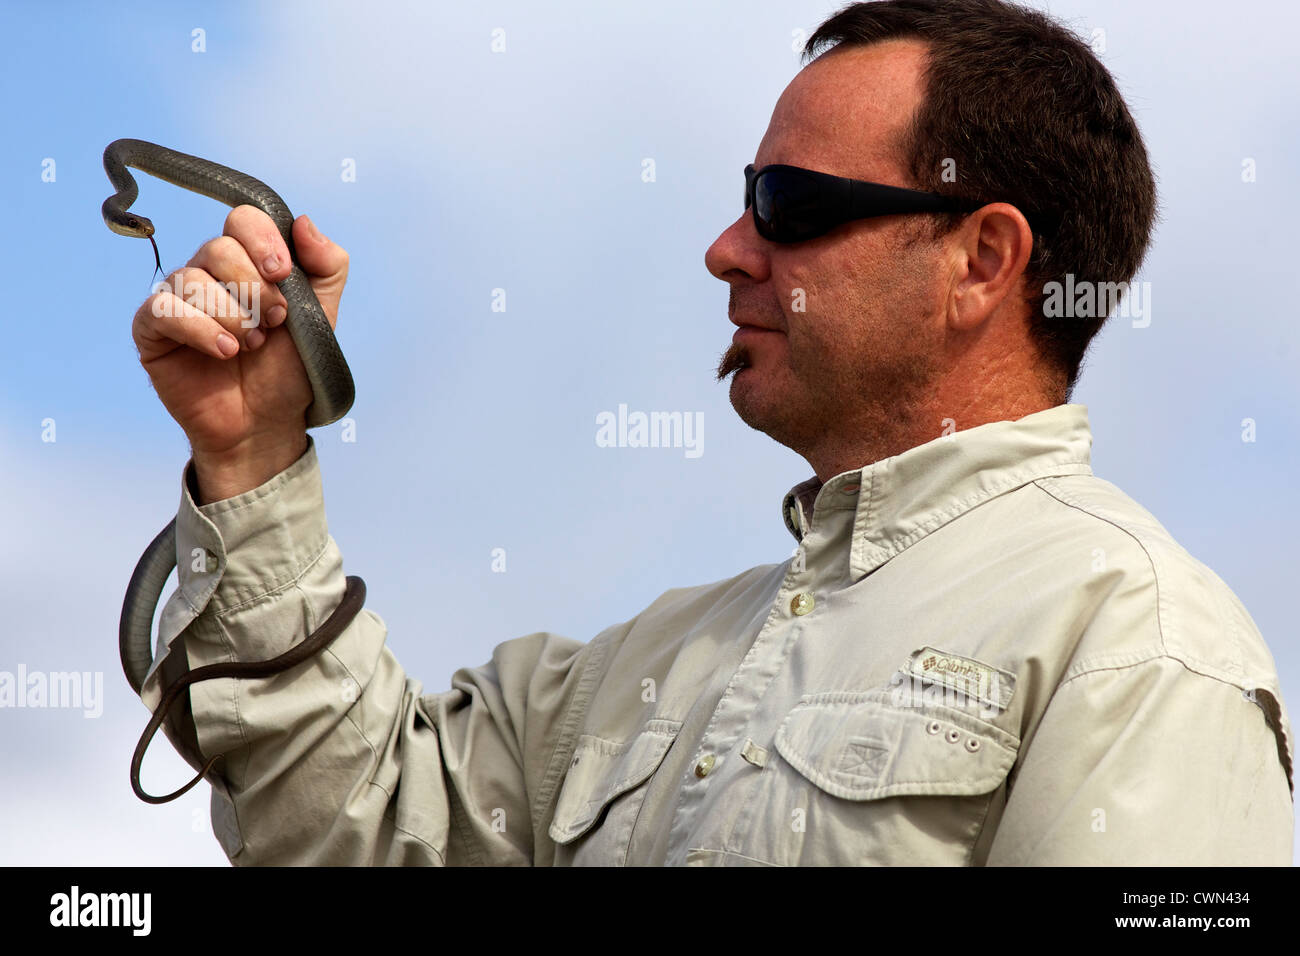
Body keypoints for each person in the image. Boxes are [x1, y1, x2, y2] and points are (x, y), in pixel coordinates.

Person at [129, 0, 1293, 865]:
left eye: (787, 204)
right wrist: (253, 454)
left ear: (982, 261)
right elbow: (361, 829)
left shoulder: (1138, 638)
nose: (728, 249)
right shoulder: (633, 672)